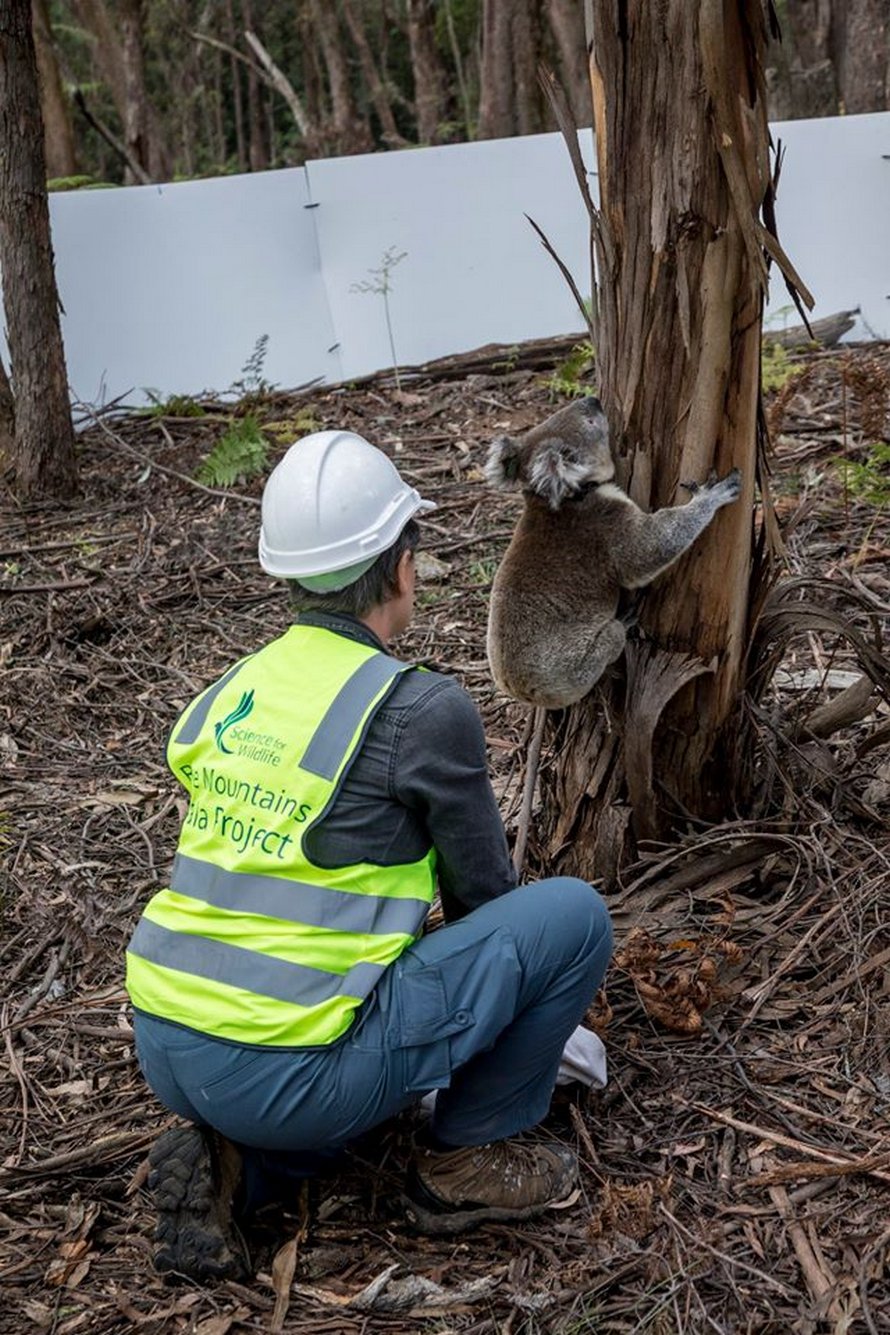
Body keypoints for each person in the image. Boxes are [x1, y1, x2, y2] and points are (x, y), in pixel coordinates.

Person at [125, 429, 613, 1281]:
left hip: (168, 1040)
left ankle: (246, 1170)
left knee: (331, 1061)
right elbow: (486, 907)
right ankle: (465, 1160)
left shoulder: (231, 689)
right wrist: (535, 1036)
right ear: (402, 566)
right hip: (284, 1066)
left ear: (287, 575)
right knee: (570, 919)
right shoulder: (420, 710)